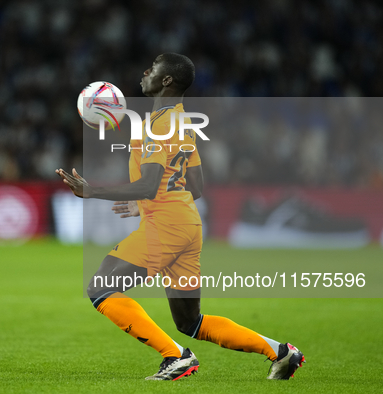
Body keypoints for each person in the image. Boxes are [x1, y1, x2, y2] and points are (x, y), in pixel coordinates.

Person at [56, 53, 304, 381]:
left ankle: (175, 357)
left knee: (101, 287)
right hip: (187, 224)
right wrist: (145, 202)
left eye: (153, 68)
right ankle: (282, 352)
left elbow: (148, 183)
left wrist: (93, 191)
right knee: (191, 322)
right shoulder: (182, 120)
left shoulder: (159, 124)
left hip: (167, 227)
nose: (146, 72)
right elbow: (196, 185)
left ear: (167, 80)